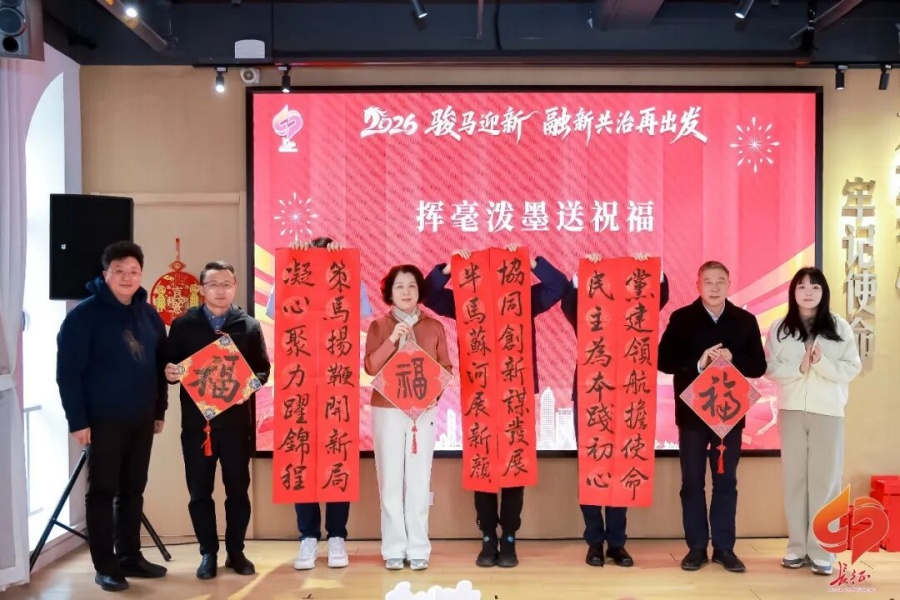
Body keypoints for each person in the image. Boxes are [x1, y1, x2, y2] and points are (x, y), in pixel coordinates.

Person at [424, 245, 567, 568]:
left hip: (516, 395)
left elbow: (557, 286)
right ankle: (488, 536)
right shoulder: (465, 302)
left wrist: (531, 262)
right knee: (483, 467)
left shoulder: (523, 298)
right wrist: (447, 270)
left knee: (514, 467)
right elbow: (429, 295)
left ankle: (510, 536)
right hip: (480, 396)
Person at [56, 241, 168, 593]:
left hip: (142, 417)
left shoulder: (149, 315)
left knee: (133, 489)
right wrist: (77, 421)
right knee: (103, 491)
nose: (127, 277)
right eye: (119, 271)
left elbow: (159, 366)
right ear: (105, 274)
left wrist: (160, 410)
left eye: (133, 271)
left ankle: (130, 557)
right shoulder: (83, 316)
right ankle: (105, 565)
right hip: (102, 419)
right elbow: (68, 373)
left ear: (141, 275)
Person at [560, 253, 669, 568]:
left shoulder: (634, 318)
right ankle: (594, 541)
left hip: (628, 398)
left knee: (624, 465)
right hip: (591, 399)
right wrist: (582, 277)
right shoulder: (588, 317)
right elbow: (568, 304)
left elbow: (657, 299)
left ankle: (617, 544)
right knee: (593, 467)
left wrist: (652, 272)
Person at [271, 237, 373, 571]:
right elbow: (274, 310)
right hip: (299, 386)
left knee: (337, 457)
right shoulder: (294, 283)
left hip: (336, 386)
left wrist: (343, 267)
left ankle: (337, 535)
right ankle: (308, 537)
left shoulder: (344, 285)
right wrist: (293, 265)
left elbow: (362, 310)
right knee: (300, 457)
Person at [164, 261, 271, 580]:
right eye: (213, 284)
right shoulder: (183, 325)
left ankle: (236, 551)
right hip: (198, 426)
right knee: (199, 491)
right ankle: (207, 552)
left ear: (235, 287)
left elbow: (263, 370)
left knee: (238, 491)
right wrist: (170, 373)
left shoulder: (248, 325)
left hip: (236, 425)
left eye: (226, 284)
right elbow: (170, 366)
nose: (220, 290)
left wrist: (246, 387)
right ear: (202, 289)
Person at [658, 261, 766, 573]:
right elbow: (664, 360)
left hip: (728, 417)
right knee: (692, 481)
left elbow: (758, 366)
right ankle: (696, 548)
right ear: (698, 285)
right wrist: (699, 362)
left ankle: (724, 548)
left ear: (729, 284)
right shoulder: (682, 318)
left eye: (720, 281)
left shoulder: (744, 320)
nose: (714, 287)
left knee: (725, 481)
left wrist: (735, 358)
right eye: (708, 281)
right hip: (692, 416)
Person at [764, 267, 860, 576]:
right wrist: (800, 367)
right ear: (793, 292)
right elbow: (769, 368)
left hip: (828, 412)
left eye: (814, 287)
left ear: (823, 292)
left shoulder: (840, 327)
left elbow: (851, 368)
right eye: (802, 286)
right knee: (795, 480)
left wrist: (822, 364)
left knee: (825, 482)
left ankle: (823, 551)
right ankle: (796, 548)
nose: (808, 292)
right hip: (791, 411)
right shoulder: (779, 328)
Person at [364, 264, 451, 571]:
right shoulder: (378, 326)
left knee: (418, 480)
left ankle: (418, 548)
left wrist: (431, 398)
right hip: (387, 410)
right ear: (390, 292)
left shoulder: (434, 326)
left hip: (422, 413)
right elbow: (370, 367)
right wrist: (393, 340)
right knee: (389, 480)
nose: (406, 292)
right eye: (399, 286)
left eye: (412, 286)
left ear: (419, 291)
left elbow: (446, 368)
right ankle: (393, 548)